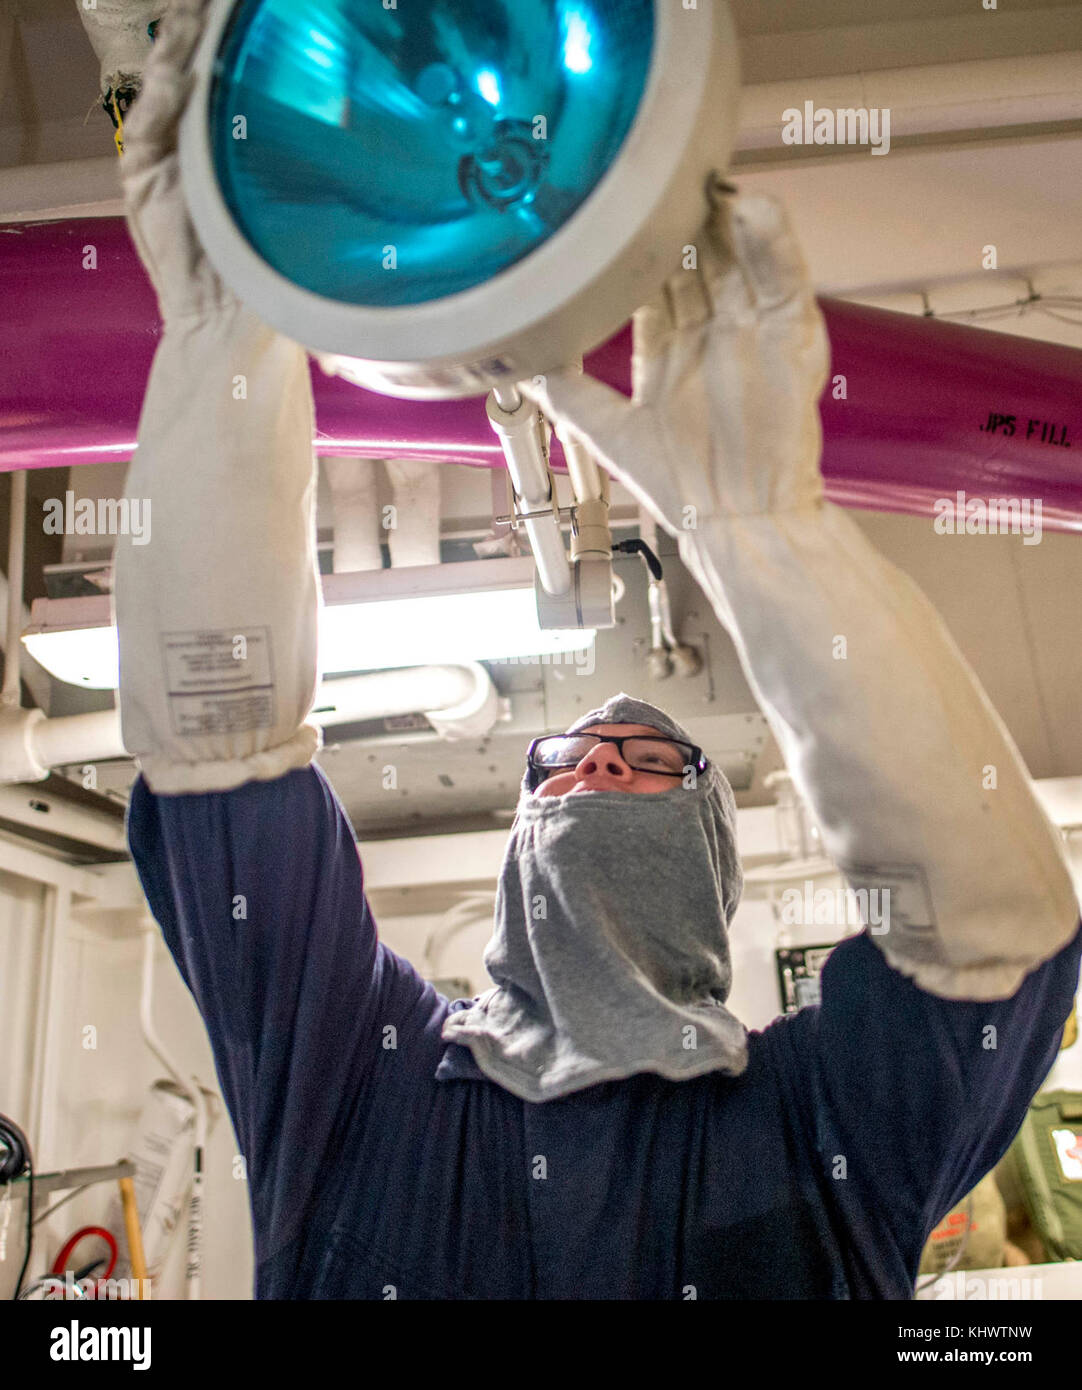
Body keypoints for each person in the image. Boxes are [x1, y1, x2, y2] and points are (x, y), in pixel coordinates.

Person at [113, 1, 1082, 1299]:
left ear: (716, 855)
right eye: (564, 767)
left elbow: (991, 934)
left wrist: (764, 540)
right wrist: (221, 343)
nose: (590, 781)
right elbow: (219, 757)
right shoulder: (360, 1063)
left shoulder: (824, 1113)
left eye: (640, 766)